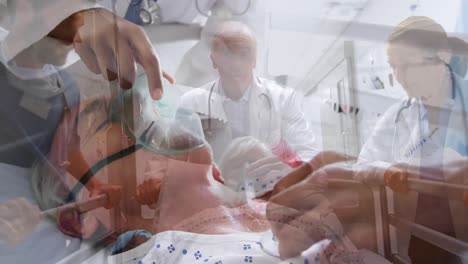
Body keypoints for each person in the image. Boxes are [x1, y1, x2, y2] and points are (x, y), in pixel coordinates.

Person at [352, 16, 468, 264]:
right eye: (393, 66)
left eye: (407, 65)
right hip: (420, 240)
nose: (399, 76)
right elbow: (363, 163)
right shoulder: (398, 115)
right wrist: (388, 171)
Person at [180, 21, 319, 164]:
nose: (236, 64)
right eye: (227, 54)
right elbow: (178, 157)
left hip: (266, 181)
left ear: (254, 60)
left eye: (244, 54)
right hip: (213, 182)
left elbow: (308, 152)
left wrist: (285, 172)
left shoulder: (285, 99)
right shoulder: (190, 103)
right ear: (214, 59)